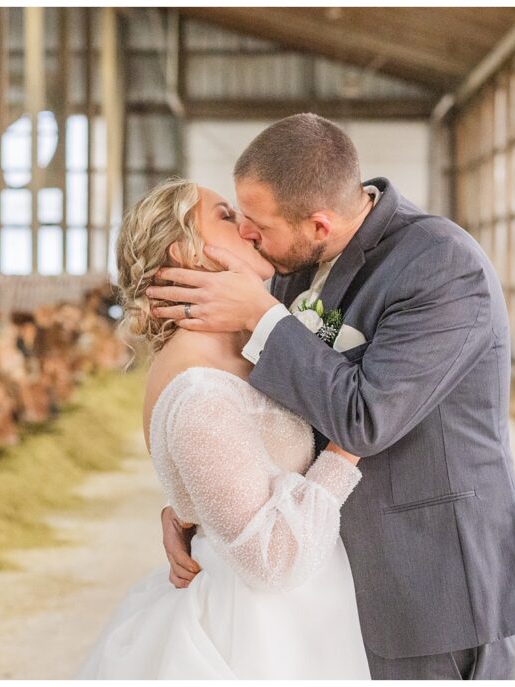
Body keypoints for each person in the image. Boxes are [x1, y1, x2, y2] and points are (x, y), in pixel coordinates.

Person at [147, 113, 515, 679]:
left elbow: (363, 418)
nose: (248, 235)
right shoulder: (291, 263)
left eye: (257, 223)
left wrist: (263, 317)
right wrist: (203, 506)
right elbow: (274, 411)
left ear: (320, 224)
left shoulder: (442, 267)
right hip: (330, 573)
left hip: (434, 581)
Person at [75, 178, 371, 679]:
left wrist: (185, 507)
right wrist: (349, 444)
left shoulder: (242, 347)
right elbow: (269, 561)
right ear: (186, 253)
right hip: (257, 635)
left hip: (300, 615)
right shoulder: (199, 391)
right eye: (227, 217)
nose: (250, 229)